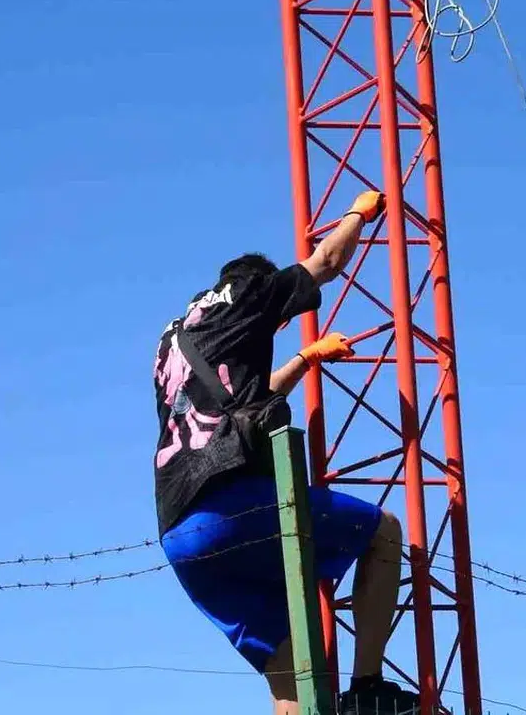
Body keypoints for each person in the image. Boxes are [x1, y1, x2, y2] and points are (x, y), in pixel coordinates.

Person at [151, 190, 420, 715]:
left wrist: (305, 357)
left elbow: (234, 403)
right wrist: (359, 214)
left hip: (179, 533)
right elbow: (325, 262)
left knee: (295, 675)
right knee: (384, 531)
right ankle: (367, 689)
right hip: (232, 505)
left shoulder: (175, 336)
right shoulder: (250, 290)